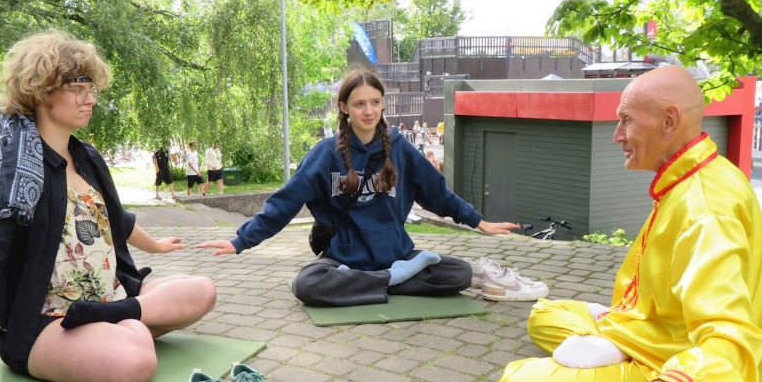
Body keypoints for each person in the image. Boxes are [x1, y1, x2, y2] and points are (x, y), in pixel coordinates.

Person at [496, 66, 762, 382]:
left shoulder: (705, 209)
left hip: (695, 367)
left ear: (669, 121)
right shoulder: (692, 179)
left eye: (626, 120)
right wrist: (622, 327)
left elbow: (732, 338)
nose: (617, 136)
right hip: (653, 332)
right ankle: (619, 342)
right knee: (545, 314)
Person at [0, 30, 218, 382]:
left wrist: (157, 247)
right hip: (46, 321)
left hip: (110, 298)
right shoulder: (15, 169)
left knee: (201, 290)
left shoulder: (88, 159)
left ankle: (114, 317)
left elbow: (116, 221)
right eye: (79, 89)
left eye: (92, 89)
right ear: (41, 91)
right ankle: (125, 323)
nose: (90, 100)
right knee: (136, 361)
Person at [198, 68, 521, 306]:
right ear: (344, 108)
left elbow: (437, 193)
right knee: (308, 284)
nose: (368, 111)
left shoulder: (400, 148)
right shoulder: (325, 154)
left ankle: (377, 283)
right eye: (359, 104)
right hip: (344, 260)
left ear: (383, 105)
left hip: (397, 254)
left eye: (375, 102)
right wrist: (241, 241)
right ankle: (391, 282)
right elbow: (285, 202)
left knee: (458, 273)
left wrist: (478, 221)